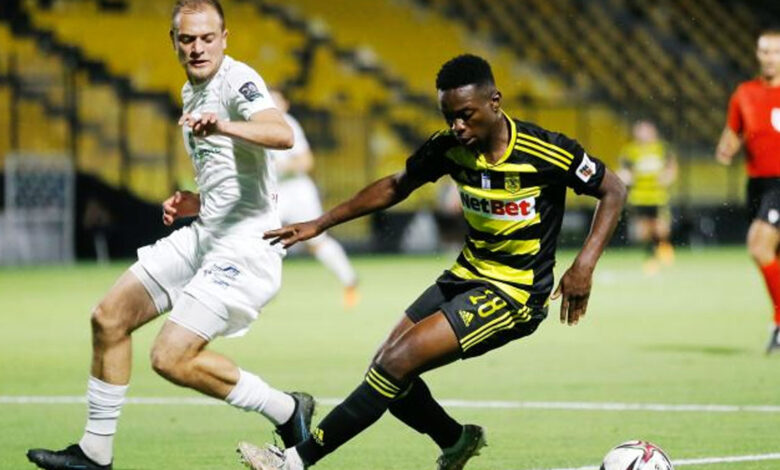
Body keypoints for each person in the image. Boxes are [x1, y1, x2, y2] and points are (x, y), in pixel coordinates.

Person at [237, 54, 627, 470]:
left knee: (395, 363)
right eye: (449, 117)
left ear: (494, 102)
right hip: (465, 274)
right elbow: (396, 186)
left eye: (466, 115)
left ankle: (294, 462)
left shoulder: (546, 150)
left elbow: (614, 189)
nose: (457, 127)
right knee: (385, 368)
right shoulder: (449, 148)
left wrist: (584, 265)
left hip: (514, 292)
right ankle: (456, 441)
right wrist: (320, 222)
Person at [26, 2, 314, 469]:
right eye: (187, 39)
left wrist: (224, 124)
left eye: (207, 38)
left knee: (169, 357)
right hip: (206, 234)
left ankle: (285, 408)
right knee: (108, 318)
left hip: (246, 248)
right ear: (174, 42)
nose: (197, 48)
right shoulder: (191, 90)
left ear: (224, 38)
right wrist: (196, 201)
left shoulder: (238, 80)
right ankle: (94, 453)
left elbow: (282, 135)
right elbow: (236, 175)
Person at [716, 27, 780, 354]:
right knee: (773, 256)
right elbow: (733, 131)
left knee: (758, 245)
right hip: (757, 184)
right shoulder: (745, 93)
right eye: (764, 51)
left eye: (776, 51)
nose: (769, 57)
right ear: (757, 54)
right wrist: (727, 147)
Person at [269, 89, 360, 308]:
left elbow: (306, 161)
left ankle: (349, 280)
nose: (272, 104)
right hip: (272, 192)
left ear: (285, 104)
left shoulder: (289, 124)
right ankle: (261, 293)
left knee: (316, 241)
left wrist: (281, 166)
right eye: (268, 100)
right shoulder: (258, 125)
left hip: (296, 190)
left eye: (276, 100)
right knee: (262, 239)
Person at [617, 120, 677, 274]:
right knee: (643, 231)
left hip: (658, 196)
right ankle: (651, 257)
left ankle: (662, 247)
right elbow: (623, 170)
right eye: (640, 131)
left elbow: (672, 167)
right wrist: (625, 177)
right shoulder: (630, 151)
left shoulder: (662, 148)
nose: (642, 135)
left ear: (653, 132)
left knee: (660, 228)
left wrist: (668, 177)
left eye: (645, 131)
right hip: (639, 197)